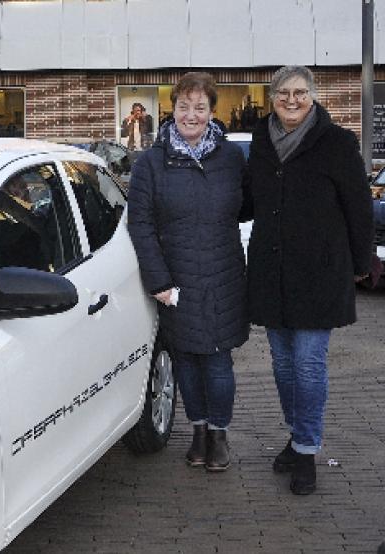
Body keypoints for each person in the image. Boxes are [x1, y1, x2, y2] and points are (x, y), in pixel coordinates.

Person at [243, 66, 374, 495]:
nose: (292, 100)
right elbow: (247, 198)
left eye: (300, 92)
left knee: (308, 363)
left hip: (319, 271)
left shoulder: (337, 142)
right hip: (273, 270)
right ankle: (297, 435)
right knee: (282, 365)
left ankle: (306, 449)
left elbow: (358, 205)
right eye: (284, 92)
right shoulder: (261, 139)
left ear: (313, 97)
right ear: (273, 97)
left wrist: (363, 261)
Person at [127, 72, 249, 472]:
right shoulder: (151, 163)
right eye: (184, 106)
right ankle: (197, 430)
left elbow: (246, 206)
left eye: (200, 107)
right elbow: (140, 224)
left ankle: (219, 434)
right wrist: (158, 279)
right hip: (175, 279)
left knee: (217, 361)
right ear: (171, 109)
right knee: (184, 360)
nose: (191, 115)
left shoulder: (231, 159)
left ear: (212, 112)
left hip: (222, 276)